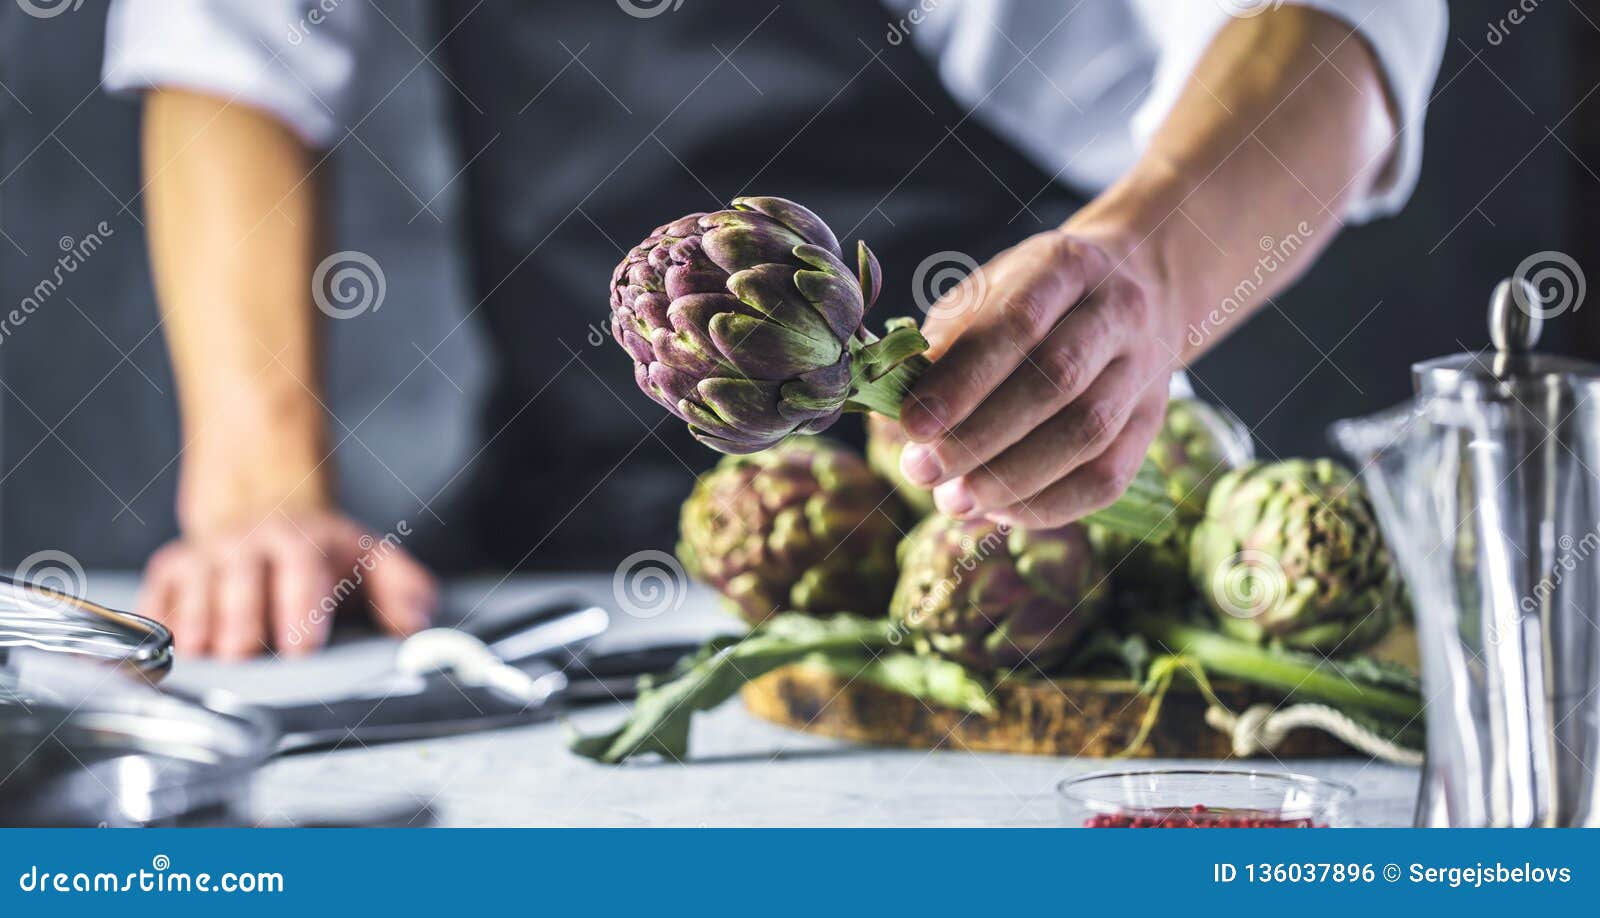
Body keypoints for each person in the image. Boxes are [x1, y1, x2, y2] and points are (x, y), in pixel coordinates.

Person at [102, 0, 1446, 658]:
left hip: (1041, 526)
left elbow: (1329, 28)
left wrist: (1143, 268)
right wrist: (260, 490)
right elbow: (227, 45)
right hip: (563, 531)